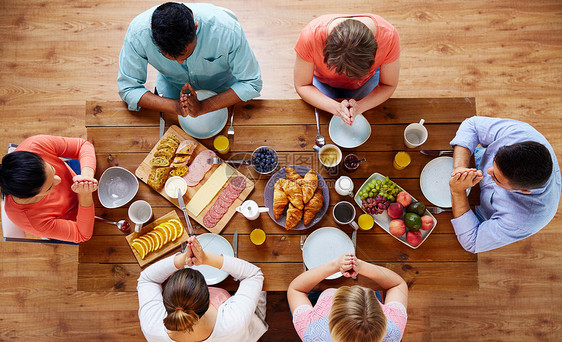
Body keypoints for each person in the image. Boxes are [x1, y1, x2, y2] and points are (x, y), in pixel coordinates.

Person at [118, 2, 262, 118]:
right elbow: (128, 89)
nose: (180, 62)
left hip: (223, 93)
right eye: (171, 58)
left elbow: (251, 83)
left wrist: (204, 107)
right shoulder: (138, 34)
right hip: (172, 93)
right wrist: (175, 106)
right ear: (152, 32)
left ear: (196, 27)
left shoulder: (227, 31)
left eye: (186, 54)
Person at [449, 116, 561, 253]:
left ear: (524, 191)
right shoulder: (522, 134)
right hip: (470, 162)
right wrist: (459, 167)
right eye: (494, 162)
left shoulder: (525, 220)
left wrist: (457, 192)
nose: (487, 172)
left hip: (473, 213)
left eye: (496, 178)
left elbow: (472, 242)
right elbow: (472, 125)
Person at [137, 236, 268, 342]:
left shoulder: (152, 327)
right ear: (210, 300)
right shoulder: (233, 322)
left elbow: (147, 279)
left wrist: (182, 259)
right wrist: (205, 259)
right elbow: (253, 275)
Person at [294, 14, 400, 126]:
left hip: (364, 83)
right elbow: (303, 85)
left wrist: (361, 106)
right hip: (323, 81)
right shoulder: (310, 36)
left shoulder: (389, 37)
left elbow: (388, 85)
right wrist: (335, 108)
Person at [287, 253, 408, 341]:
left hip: (317, 295)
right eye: (366, 290)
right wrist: (361, 266)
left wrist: (334, 265)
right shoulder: (394, 330)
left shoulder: (312, 333)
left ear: (331, 319)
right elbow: (397, 285)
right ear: (383, 320)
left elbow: (296, 290)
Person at [0, 135, 98, 243]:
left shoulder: (35, 145)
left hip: (78, 174)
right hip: (76, 219)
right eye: (50, 187)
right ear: (33, 195)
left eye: (52, 169)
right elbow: (81, 234)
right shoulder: (31, 220)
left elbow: (82, 145)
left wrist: (87, 176)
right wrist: (85, 195)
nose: (59, 179)